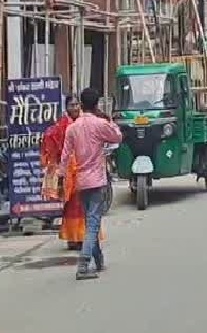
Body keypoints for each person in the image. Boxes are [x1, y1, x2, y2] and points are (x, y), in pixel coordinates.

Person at [60, 88, 123, 280]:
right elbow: (117, 137)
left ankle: (98, 259)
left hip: (80, 181)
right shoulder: (99, 124)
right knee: (93, 223)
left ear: (81, 104)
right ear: (96, 105)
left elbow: (65, 155)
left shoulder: (73, 128)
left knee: (90, 221)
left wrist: (62, 176)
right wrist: (109, 120)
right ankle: (83, 264)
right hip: (96, 180)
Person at [41, 96, 103, 250]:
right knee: (72, 205)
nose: (74, 108)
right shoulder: (62, 125)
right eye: (71, 105)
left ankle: (85, 237)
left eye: (76, 104)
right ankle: (73, 237)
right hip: (69, 171)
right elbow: (51, 139)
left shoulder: (85, 122)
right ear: (66, 107)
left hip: (85, 168)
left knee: (86, 205)